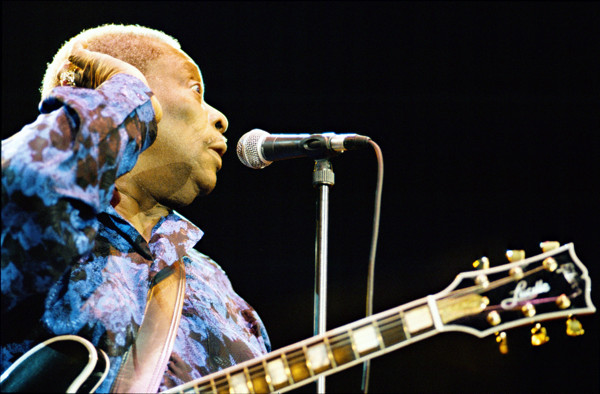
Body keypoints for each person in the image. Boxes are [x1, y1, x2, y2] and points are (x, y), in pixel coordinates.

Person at [1, 24, 270, 392]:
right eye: (195, 90)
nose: (220, 117)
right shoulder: (51, 226)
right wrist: (125, 92)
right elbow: (27, 181)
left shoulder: (226, 297)